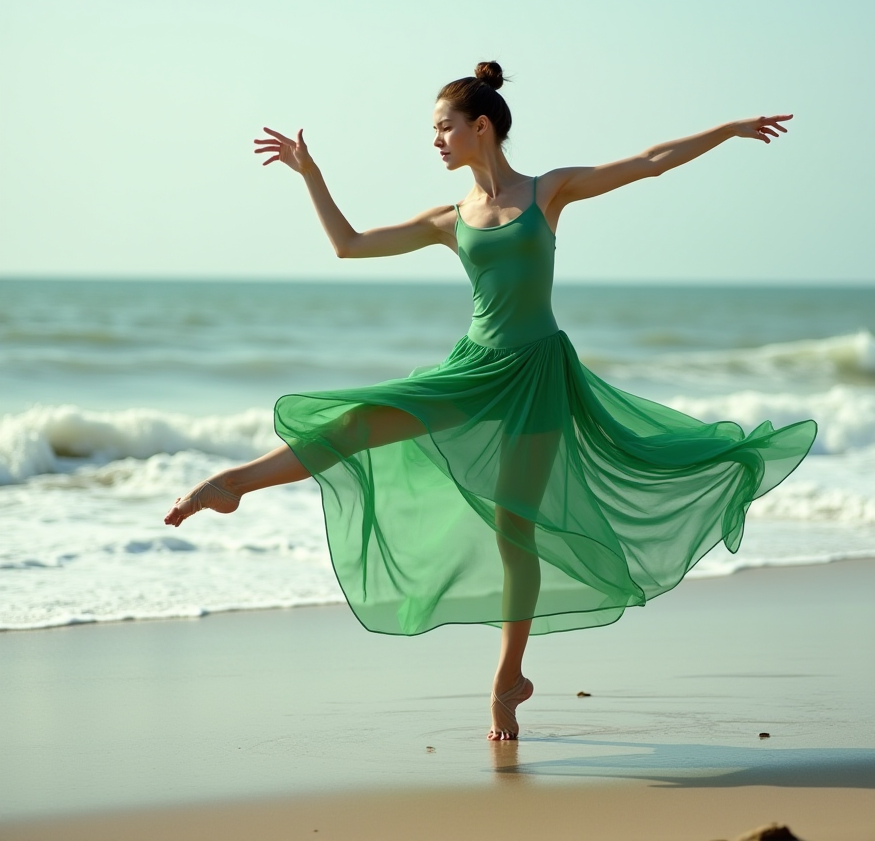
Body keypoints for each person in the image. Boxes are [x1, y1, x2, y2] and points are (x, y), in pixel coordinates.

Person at [164, 61, 816, 741]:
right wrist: (311, 175)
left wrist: (731, 130)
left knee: (515, 530)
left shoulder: (548, 193)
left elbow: (650, 162)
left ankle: (508, 680)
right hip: (474, 371)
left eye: (443, 127)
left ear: (482, 127)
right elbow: (348, 245)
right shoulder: (449, 219)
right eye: (432, 130)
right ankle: (234, 482)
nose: (435, 140)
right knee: (356, 421)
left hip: (537, 377)